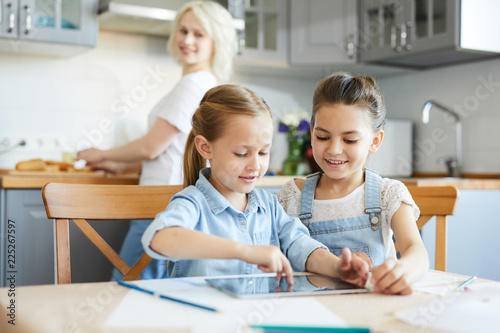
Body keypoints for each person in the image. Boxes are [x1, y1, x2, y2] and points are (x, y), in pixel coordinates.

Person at [141, 84, 371, 286]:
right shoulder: (192, 203)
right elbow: (159, 238)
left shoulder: (269, 206)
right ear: (205, 147)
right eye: (241, 153)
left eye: (263, 152)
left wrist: (337, 267)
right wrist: (245, 252)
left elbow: (300, 245)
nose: (255, 165)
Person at [76, 1, 237, 280]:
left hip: (158, 203)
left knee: (128, 285)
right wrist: (123, 167)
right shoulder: (206, 82)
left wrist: (103, 154)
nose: (187, 40)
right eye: (183, 31)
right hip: (171, 199)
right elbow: (174, 151)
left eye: (199, 34)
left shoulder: (192, 84)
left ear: (216, 43)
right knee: (155, 288)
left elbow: (152, 147)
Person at [277, 72, 429, 295]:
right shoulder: (291, 196)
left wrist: (401, 271)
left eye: (349, 140)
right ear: (311, 133)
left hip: (370, 313)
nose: (334, 149)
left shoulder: (388, 194)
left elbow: (417, 252)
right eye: (322, 137)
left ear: (374, 141)